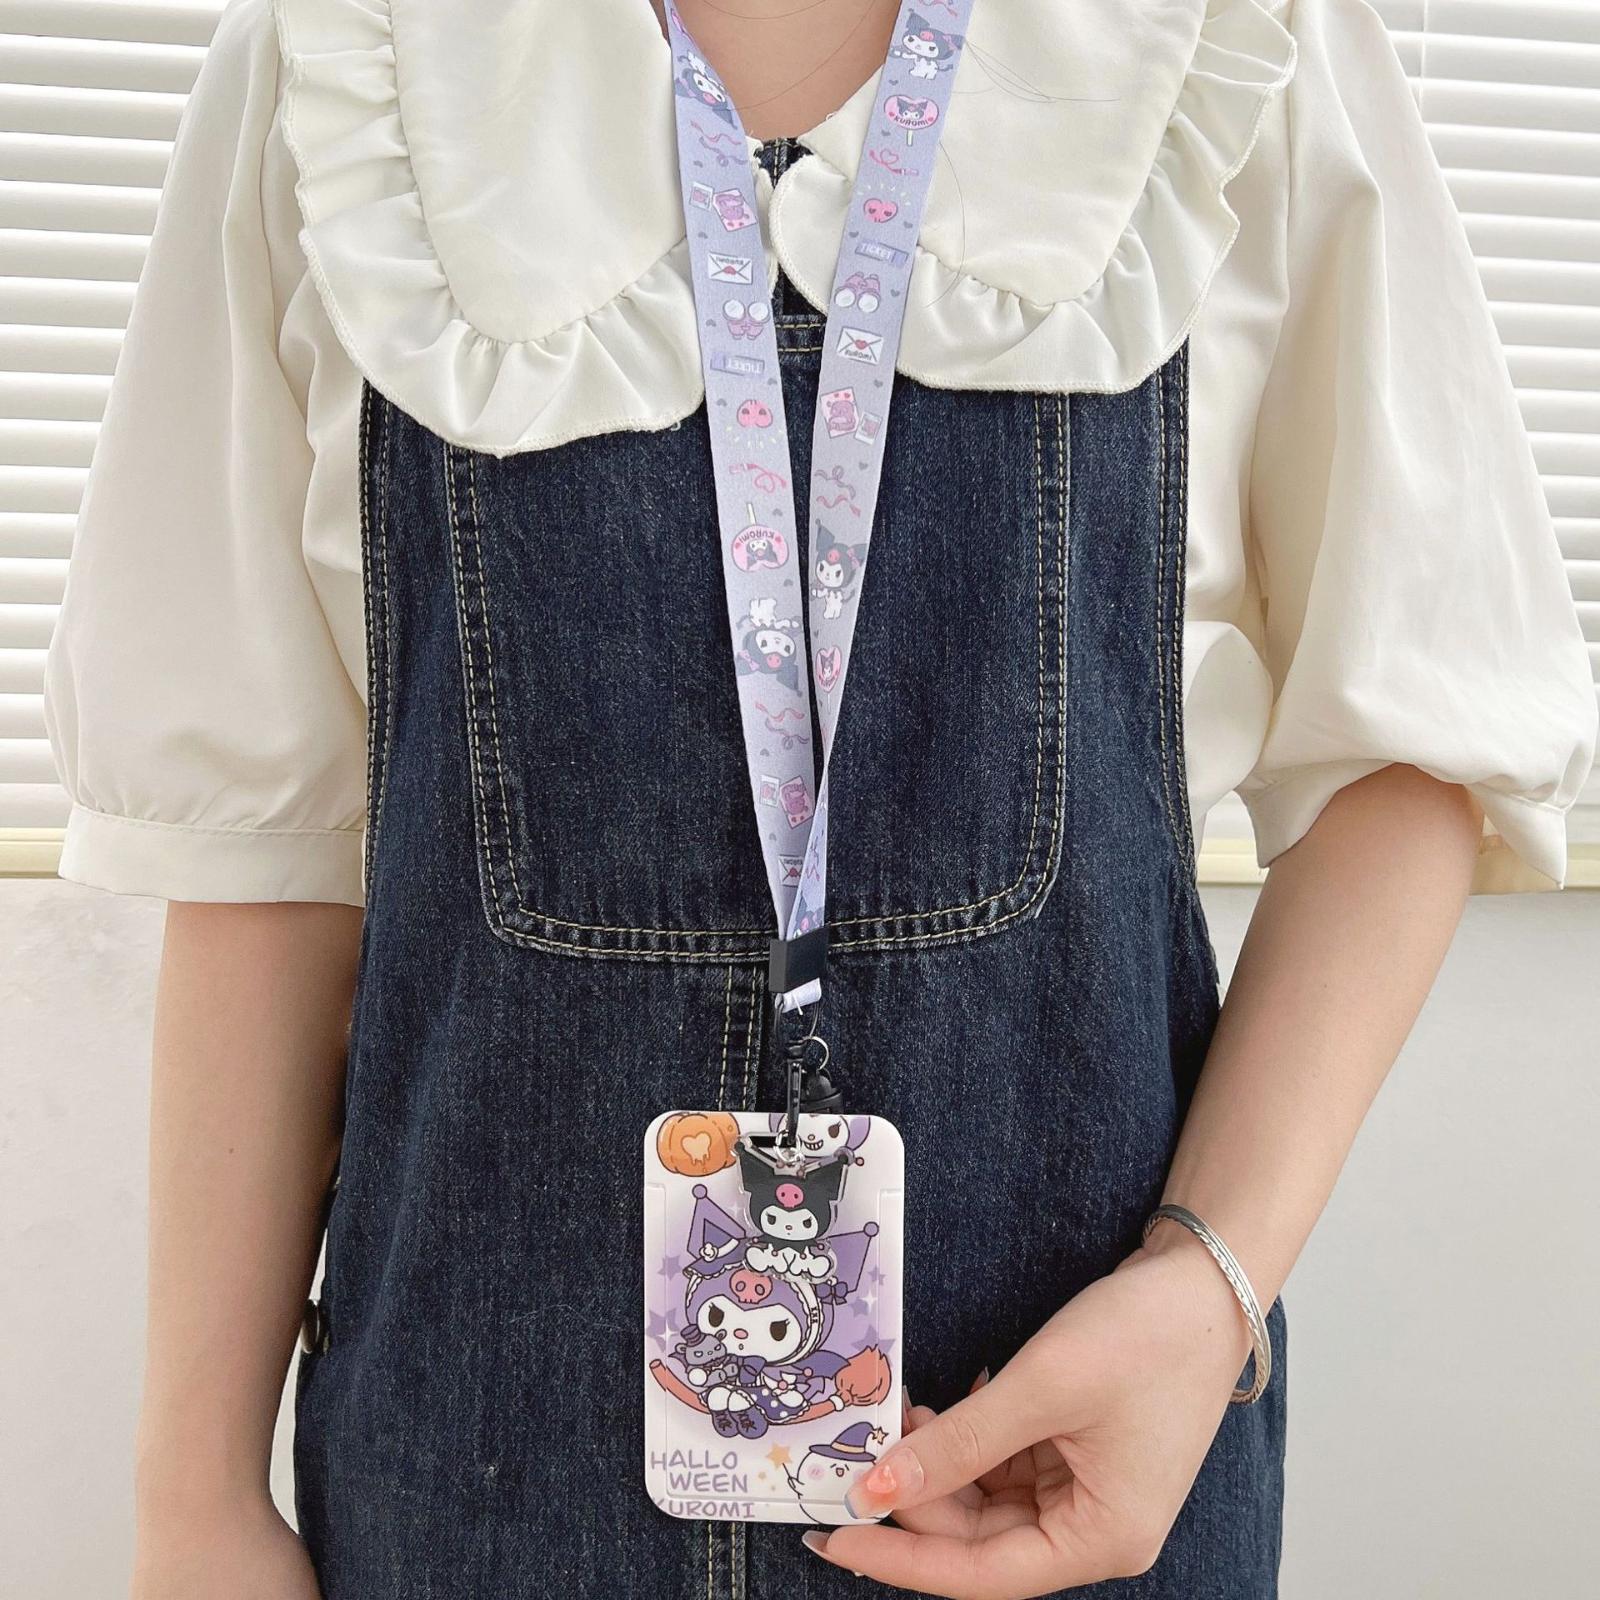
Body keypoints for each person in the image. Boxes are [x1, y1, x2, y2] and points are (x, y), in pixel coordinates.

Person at [44, 0, 1595, 1597]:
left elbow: (1412, 743)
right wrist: (193, 1498)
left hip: (1059, 1461)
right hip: (468, 1480)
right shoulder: (348, 56)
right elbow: (262, 857)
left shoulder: (1228, 44)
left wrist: (1209, 1291)